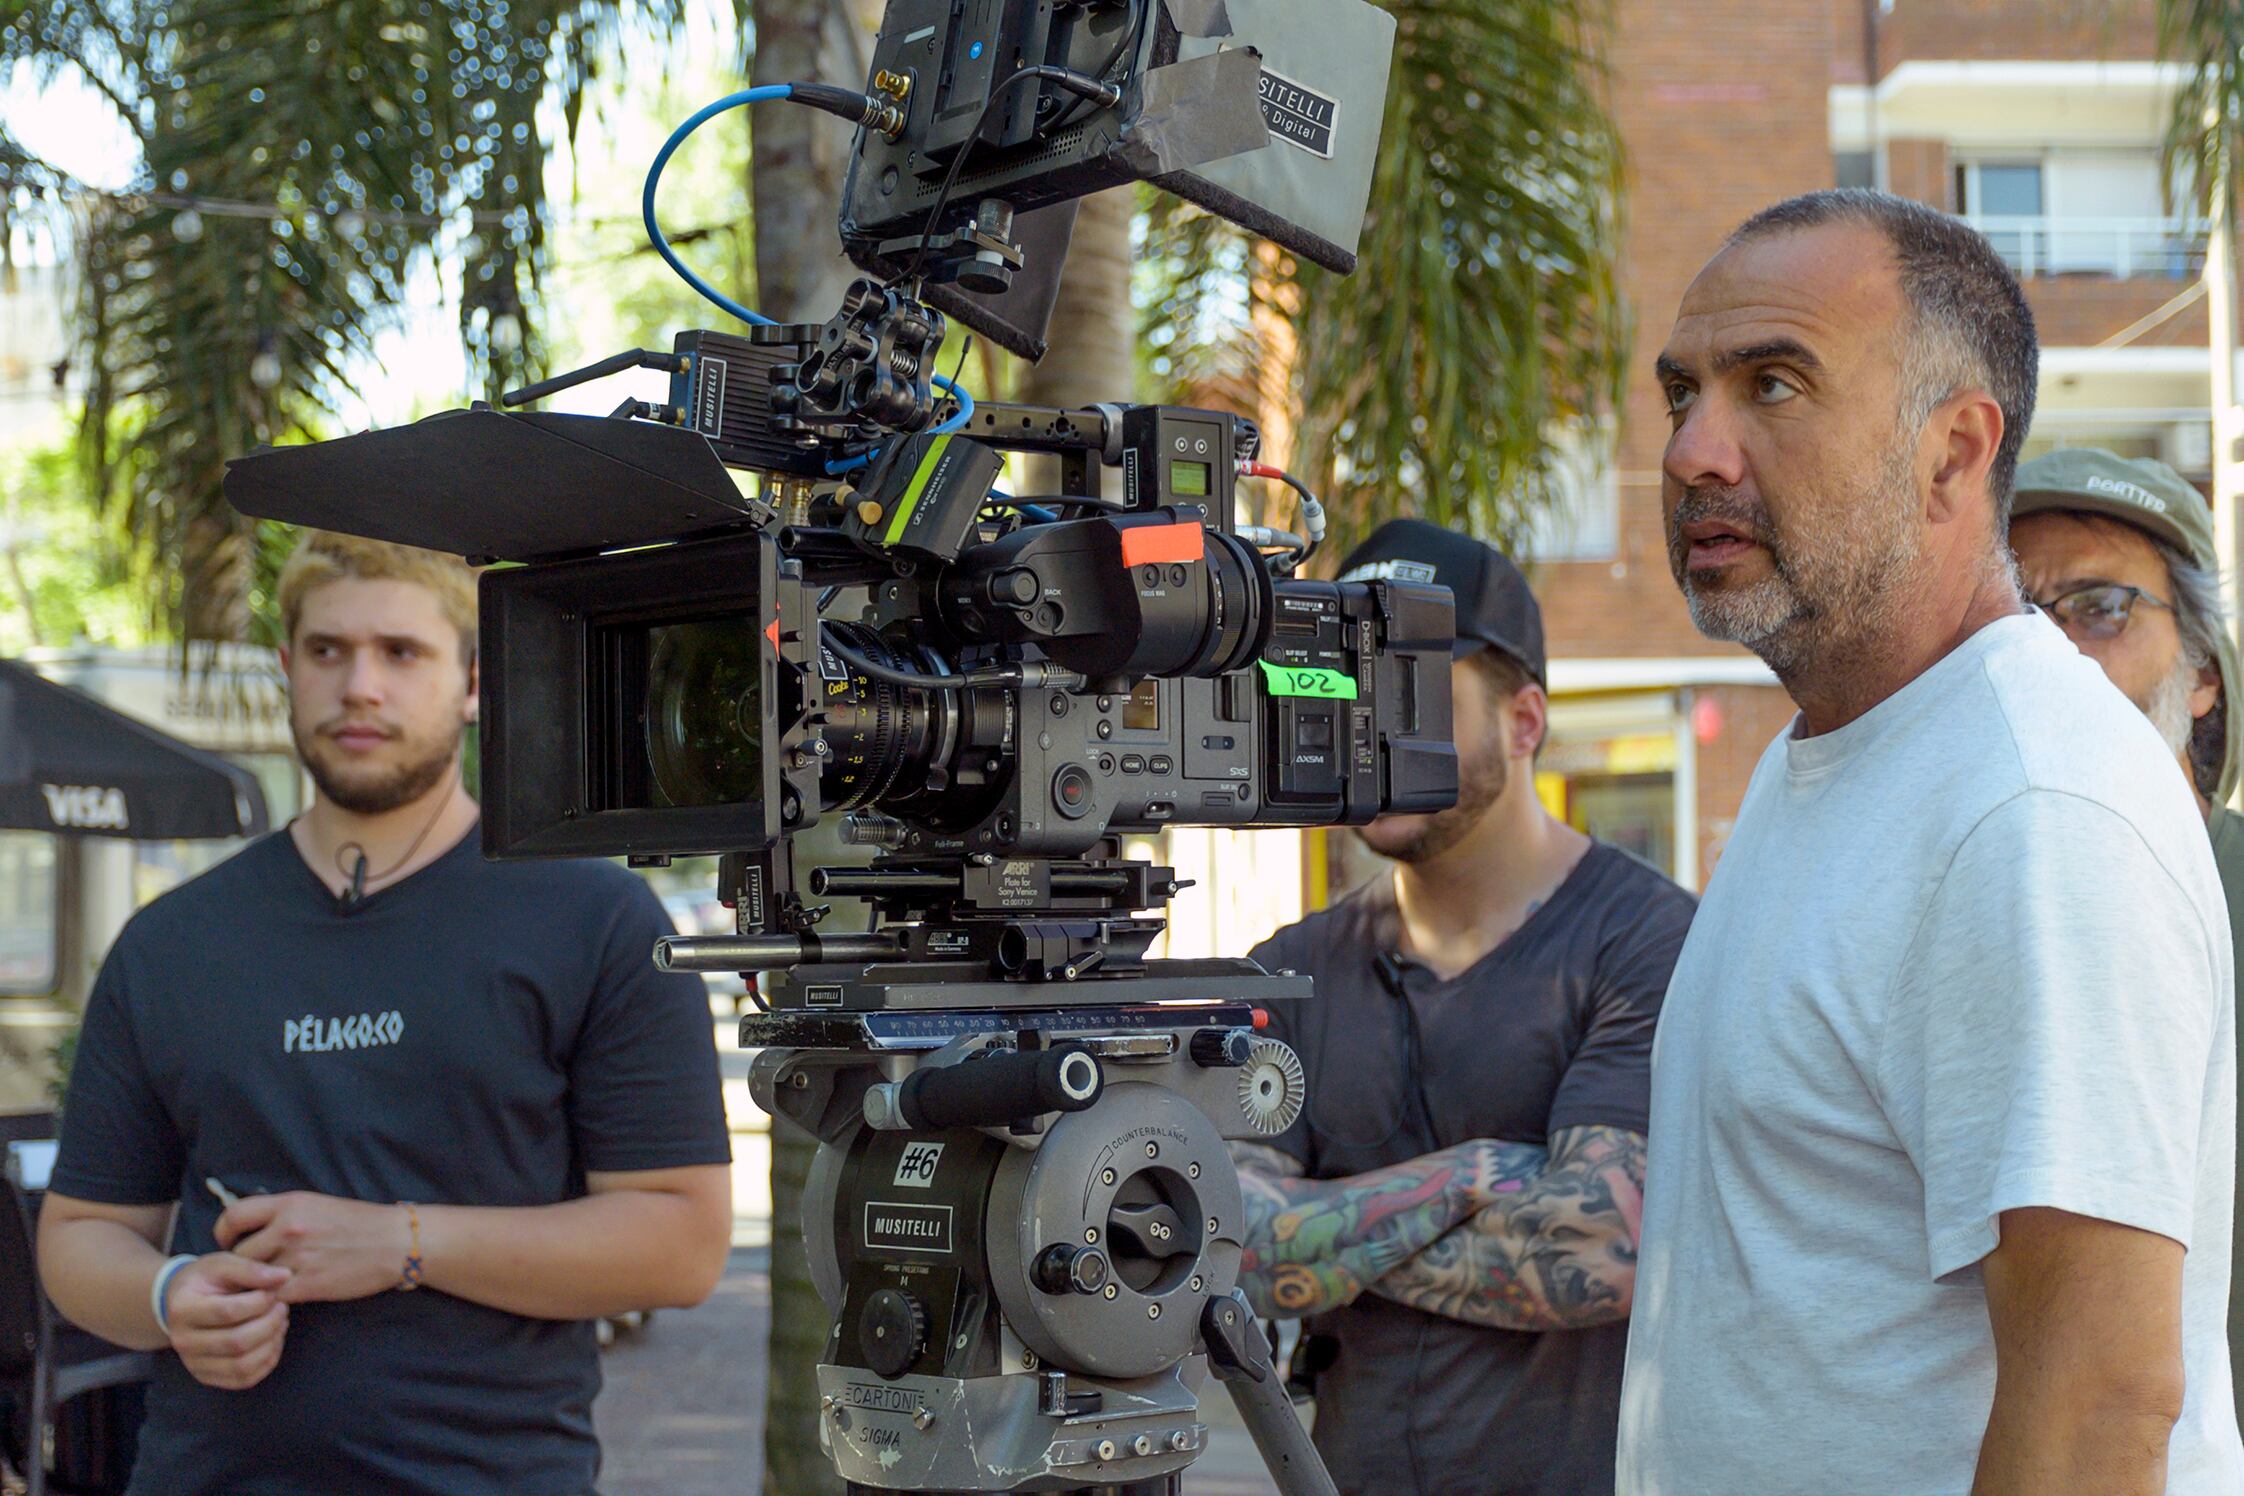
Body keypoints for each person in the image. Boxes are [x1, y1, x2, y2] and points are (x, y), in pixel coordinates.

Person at [1618, 187, 2241, 1494]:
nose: (1694, 452)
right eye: (1685, 393)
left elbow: (2098, 1407)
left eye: (1775, 386)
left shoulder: (2032, 806)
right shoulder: (1849, 758)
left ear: (1955, 452)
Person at [39, 533, 734, 1494]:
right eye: (327, 651)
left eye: (400, 653)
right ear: (287, 669)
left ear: (474, 681)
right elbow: (79, 1234)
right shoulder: (172, 942)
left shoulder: (595, 918)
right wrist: (167, 1293)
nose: (359, 686)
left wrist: (400, 1243)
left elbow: (681, 1244)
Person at [1232, 517, 1696, 1496]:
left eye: (1414, 694)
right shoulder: (1288, 969)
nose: (1375, 730)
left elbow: (1603, 1245)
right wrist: (1465, 1178)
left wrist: (1320, 1232)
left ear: (1524, 719)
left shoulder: (1647, 939)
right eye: (1354, 692)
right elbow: (1223, 1248)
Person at [2006, 448, 2244, 1437]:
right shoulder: (1963, 896)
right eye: (2018, 616)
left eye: (2101, 607)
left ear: (2200, 672)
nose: (2051, 649)